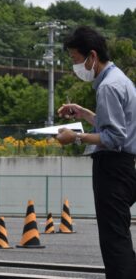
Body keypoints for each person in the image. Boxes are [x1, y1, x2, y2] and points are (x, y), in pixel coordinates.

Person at [56, 26, 136, 279]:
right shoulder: (119, 79)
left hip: (113, 167)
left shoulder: (108, 87)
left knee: (114, 241)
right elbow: (115, 125)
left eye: (74, 59)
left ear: (91, 56)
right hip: (124, 165)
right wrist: (83, 113)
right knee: (118, 235)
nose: (74, 65)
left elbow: (113, 137)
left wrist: (75, 137)